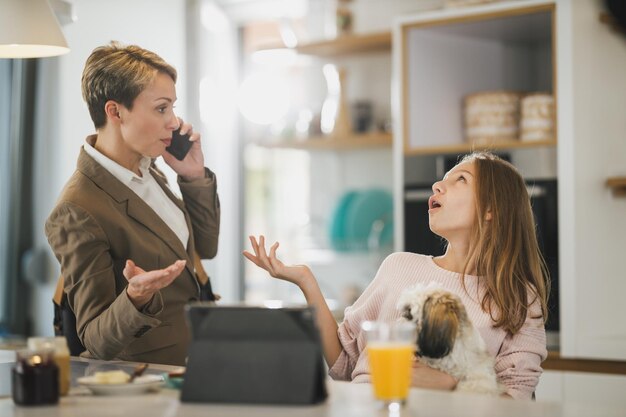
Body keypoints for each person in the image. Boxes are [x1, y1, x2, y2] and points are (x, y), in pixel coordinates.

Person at [243, 152, 549, 400]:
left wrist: (450, 385)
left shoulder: (519, 297)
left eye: (460, 180)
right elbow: (344, 365)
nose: (437, 187)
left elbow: (515, 398)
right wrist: (306, 281)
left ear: (490, 210)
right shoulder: (397, 267)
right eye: (441, 180)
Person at [45, 41, 220, 366]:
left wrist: (193, 178)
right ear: (115, 112)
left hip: (197, 358)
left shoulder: (150, 170)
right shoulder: (77, 208)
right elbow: (95, 340)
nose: (174, 122)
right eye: (161, 108)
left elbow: (205, 249)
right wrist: (135, 297)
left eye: (172, 107)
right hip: (149, 380)